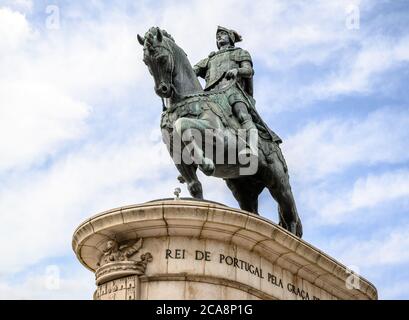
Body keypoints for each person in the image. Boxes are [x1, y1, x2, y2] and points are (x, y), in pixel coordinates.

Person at [193, 26, 282, 156]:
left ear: (230, 38)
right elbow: (190, 71)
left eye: (222, 34)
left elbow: (249, 71)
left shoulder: (240, 52)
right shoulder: (209, 59)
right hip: (211, 94)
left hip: (232, 90)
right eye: (217, 36)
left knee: (242, 115)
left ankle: (252, 148)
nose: (219, 37)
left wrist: (237, 71)